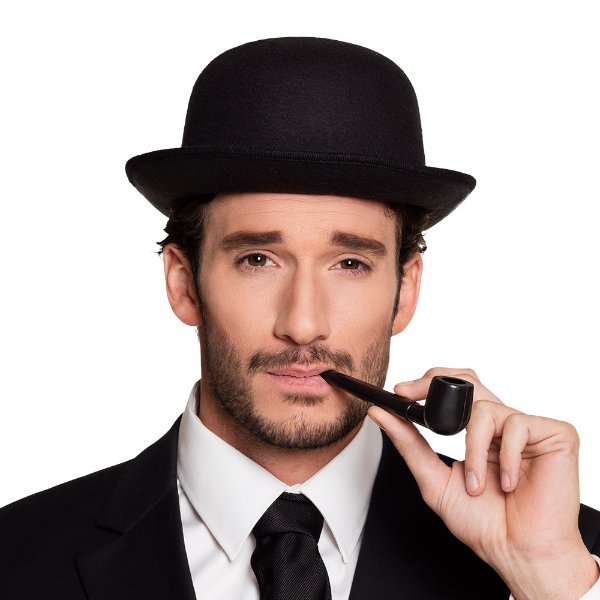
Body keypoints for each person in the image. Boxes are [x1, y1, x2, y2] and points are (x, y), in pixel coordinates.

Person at [1, 36, 599, 600]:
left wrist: (547, 578)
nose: (304, 323)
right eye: (258, 260)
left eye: (350, 264)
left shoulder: (570, 559)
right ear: (183, 284)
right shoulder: (16, 558)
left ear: (405, 290)